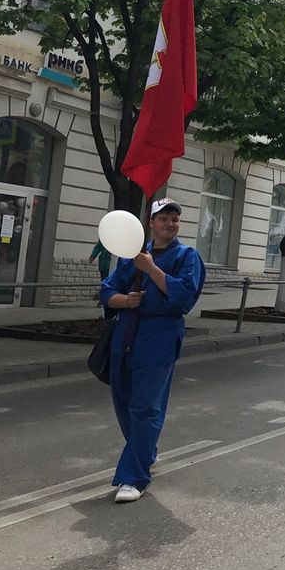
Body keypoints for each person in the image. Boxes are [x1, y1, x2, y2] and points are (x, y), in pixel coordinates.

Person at [99, 198, 207, 503]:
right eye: (164, 218)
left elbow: (183, 297)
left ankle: (133, 477)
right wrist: (126, 301)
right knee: (123, 400)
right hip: (125, 336)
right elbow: (107, 291)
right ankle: (146, 451)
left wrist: (152, 269)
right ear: (151, 222)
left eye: (175, 219)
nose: (170, 224)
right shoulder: (131, 254)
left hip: (158, 339)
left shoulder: (187, 256)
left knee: (145, 407)